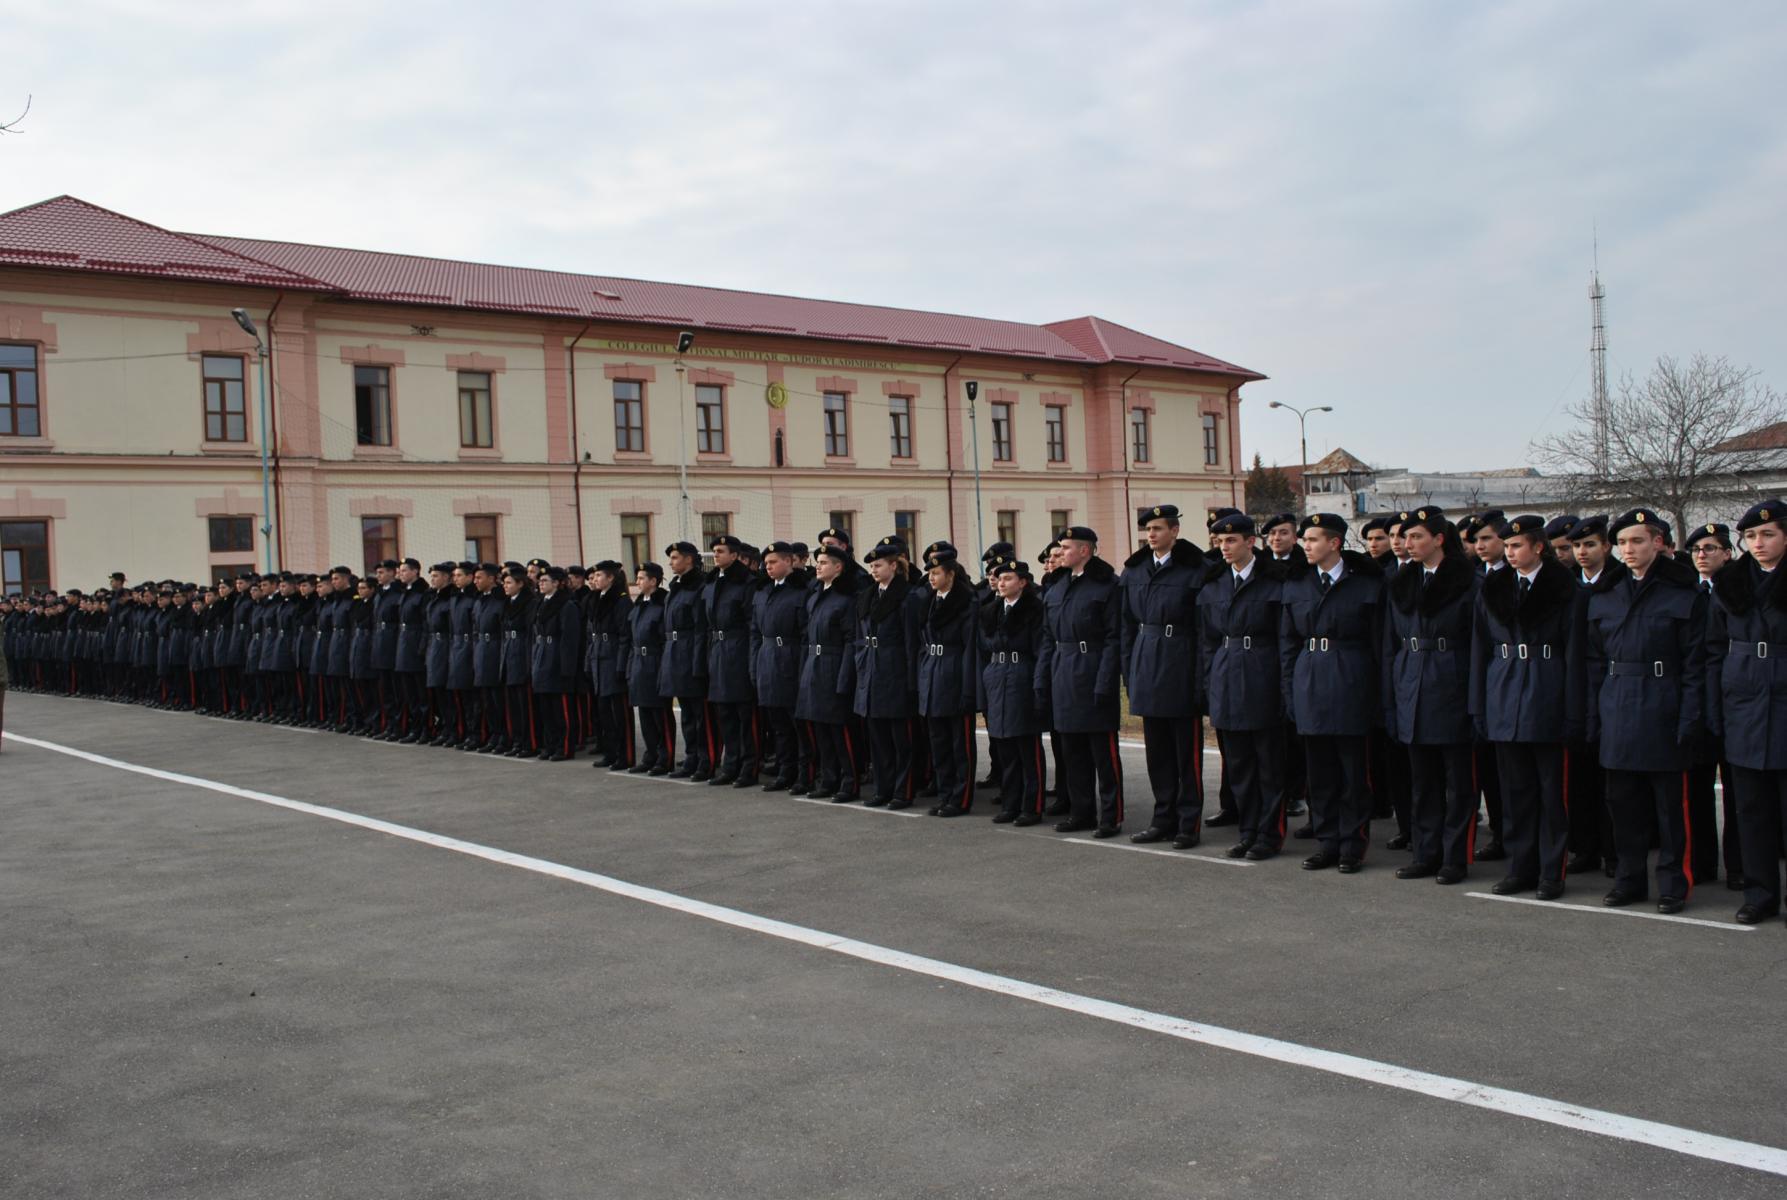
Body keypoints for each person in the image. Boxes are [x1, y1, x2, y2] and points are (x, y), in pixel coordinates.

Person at [1583, 508, 1707, 912]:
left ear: (1658, 542)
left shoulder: (1683, 594)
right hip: (1618, 705)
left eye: (1637, 541)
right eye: (1621, 543)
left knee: (1671, 811)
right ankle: (1629, 879)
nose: (1628, 549)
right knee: (1624, 806)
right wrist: (1594, 715)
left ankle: (1673, 883)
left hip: (1663, 704)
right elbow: (1594, 661)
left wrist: (1690, 717)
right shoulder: (1607, 595)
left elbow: (1694, 665)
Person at [1469, 514, 1582, 899]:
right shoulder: (1493, 589)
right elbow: (1479, 652)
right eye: (1508, 546)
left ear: (1538, 546)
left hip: (1546, 693)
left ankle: (1552, 871)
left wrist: (1573, 710)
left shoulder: (1563, 588)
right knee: (1515, 793)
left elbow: (1575, 654)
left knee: (1551, 794)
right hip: (1503, 694)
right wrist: (1479, 707)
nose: (1510, 552)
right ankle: (1521, 867)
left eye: (1518, 545)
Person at [1278, 512, 1385, 873]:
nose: (1305, 545)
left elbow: (1379, 645)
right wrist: (1291, 693)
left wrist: (1377, 695)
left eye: (1312, 539)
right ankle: (1327, 842)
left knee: (1353, 774)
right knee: (1319, 773)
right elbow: (1288, 645)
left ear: (1334, 543)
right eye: (1304, 539)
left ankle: (1353, 844)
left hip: (1351, 680)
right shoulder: (1297, 584)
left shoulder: (1366, 584)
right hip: (1310, 681)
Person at [1384, 507, 1480, 884]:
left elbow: (1476, 646)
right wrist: (1392, 697)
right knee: (1422, 781)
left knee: (1457, 783)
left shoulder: (1468, 583)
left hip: (1451, 682)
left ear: (1439, 539)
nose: (1408, 544)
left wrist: (1475, 703)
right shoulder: (1401, 582)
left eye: (1417, 536)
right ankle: (1426, 852)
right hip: (1411, 682)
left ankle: (1455, 857)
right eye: (1406, 537)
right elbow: (1390, 644)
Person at [1707, 499, 1787, 924]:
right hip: (1744, 703)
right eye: (1751, 536)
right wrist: (1716, 710)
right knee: (1751, 809)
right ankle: (1759, 893)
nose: (1758, 543)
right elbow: (1713, 650)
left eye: (1768, 534)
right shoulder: (1730, 583)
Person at [1197, 511, 1288, 859]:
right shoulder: (1215, 585)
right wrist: (1209, 684)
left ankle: (1270, 833)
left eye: (1232, 540)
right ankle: (1248, 830)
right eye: (1220, 541)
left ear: (1251, 542)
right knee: (1239, 766)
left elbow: (1284, 640)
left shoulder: (1273, 581)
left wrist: (1282, 689)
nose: (1224, 548)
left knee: (1268, 765)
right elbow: (1207, 642)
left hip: (1262, 675)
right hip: (1226, 677)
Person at [1120, 503, 1207, 849]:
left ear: (1175, 531)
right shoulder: (1135, 570)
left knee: (1186, 754)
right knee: (1157, 754)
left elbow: (1204, 630)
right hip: (1147, 663)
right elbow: (1126, 626)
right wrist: (1130, 671)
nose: (1151, 535)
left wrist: (1200, 679)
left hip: (1180, 663)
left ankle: (1188, 823)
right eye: (1148, 530)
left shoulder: (1196, 569)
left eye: (1157, 529)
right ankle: (1163, 818)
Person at [1039, 525, 1125, 837]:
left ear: (1085, 550)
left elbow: (1114, 638)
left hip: (1091, 668)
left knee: (1103, 753)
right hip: (1063, 671)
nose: (1059, 553)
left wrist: (1105, 682)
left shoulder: (1106, 585)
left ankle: (1110, 816)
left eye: (1065, 548)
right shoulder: (1057, 586)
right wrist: (1043, 679)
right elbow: (1048, 637)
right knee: (1072, 750)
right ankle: (1081, 812)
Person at [1683, 523, 1741, 887]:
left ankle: (1738, 867)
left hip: (1732, 701)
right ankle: (1703, 865)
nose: (1702, 555)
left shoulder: (1738, 590)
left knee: (1737, 795)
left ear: (1727, 553)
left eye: (1710, 548)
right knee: (1696, 792)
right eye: (1696, 550)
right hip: (1697, 701)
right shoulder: (1687, 591)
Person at [1565, 514, 1620, 877]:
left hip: (1611, 685)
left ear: (1606, 547)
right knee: (1579, 779)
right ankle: (1584, 848)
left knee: (1612, 783)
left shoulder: (1618, 584)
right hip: (1575, 684)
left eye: (1589, 545)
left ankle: (1614, 853)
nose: (1582, 552)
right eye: (1577, 546)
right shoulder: (1568, 586)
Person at [980, 558, 1048, 824]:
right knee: (1004, 745)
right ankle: (1011, 802)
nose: (1001, 583)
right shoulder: (992, 611)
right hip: (998, 676)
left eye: (1007, 578)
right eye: (999, 578)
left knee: (1026, 747)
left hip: (1022, 676)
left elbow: (1040, 649)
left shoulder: (1034, 610)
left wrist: (1038, 684)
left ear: (1022, 582)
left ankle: (1032, 805)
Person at [854, 540, 920, 808]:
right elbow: (860, 635)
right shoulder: (869, 595)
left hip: (895, 670)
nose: (874, 570)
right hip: (871, 669)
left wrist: (911, 680)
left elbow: (911, 642)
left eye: (879, 565)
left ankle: (903, 790)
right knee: (878, 738)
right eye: (871, 566)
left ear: (894, 566)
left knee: (900, 740)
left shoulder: (906, 597)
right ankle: (882, 788)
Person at [917, 551, 980, 817]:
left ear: (951, 574)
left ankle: (961, 798)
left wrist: (968, 688)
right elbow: (924, 642)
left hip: (954, 672)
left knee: (960, 745)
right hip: (933, 674)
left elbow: (970, 649)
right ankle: (945, 794)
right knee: (939, 742)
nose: (932, 578)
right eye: (930, 573)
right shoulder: (931, 602)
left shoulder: (966, 604)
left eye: (937, 573)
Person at [797, 544, 861, 800]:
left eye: (823, 562)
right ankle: (829, 778)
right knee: (820, 729)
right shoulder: (814, 597)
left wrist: (844, 678)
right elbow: (807, 637)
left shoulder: (845, 601)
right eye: (817, 562)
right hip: (814, 666)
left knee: (839, 730)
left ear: (838, 567)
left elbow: (850, 641)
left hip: (833, 666)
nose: (817, 566)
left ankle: (849, 781)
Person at [751, 542, 808, 792]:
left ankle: (805, 773)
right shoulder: (762, 593)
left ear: (789, 561)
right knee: (778, 725)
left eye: (774, 562)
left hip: (790, 659)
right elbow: (755, 631)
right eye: (766, 563)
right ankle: (786, 771)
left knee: (797, 724)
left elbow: (805, 634)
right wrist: (755, 664)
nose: (768, 567)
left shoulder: (800, 593)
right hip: (767, 660)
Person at [704, 535, 760, 787]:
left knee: (743, 715)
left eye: (720, 551)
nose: (715, 555)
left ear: (735, 555)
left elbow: (751, 624)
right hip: (718, 651)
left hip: (738, 650)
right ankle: (730, 765)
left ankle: (748, 767)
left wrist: (750, 660)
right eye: (714, 551)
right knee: (724, 713)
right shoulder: (715, 580)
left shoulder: (746, 582)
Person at [660, 542, 713, 781]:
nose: (671, 562)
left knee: (700, 716)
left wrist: (698, 663)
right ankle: (691, 757)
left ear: (689, 560)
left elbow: (701, 630)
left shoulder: (699, 587)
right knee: (688, 716)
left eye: (675, 558)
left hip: (691, 655)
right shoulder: (677, 588)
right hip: (675, 656)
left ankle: (706, 760)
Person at [626, 563, 675, 775]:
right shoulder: (638, 606)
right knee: (644, 714)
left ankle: (666, 757)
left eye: (641, 578)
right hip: (638, 663)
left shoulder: (661, 606)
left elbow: (665, 642)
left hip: (655, 663)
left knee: (660, 714)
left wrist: (664, 669)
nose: (637, 582)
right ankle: (651, 755)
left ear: (653, 581)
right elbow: (632, 640)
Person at [587, 560, 635, 772]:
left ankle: (626, 755)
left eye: (599, 576)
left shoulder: (621, 601)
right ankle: (611, 752)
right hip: (599, 658)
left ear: (611, 578)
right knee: (604, 711)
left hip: (613, 658)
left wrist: (621, 665)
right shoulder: (598, 598)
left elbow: (625, 636)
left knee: (619, 713)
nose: (595, 579)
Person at [498, 567, 537, 757]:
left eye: (509, 583)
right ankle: (517, 740)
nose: (505, 586)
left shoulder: (529, 603)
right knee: (512, 703)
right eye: (504, 583)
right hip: (509, 652)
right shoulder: (507, 603)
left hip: (521, 653)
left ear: (520, 584)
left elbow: (530, 633)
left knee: (524, 703)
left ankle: (529, 742)